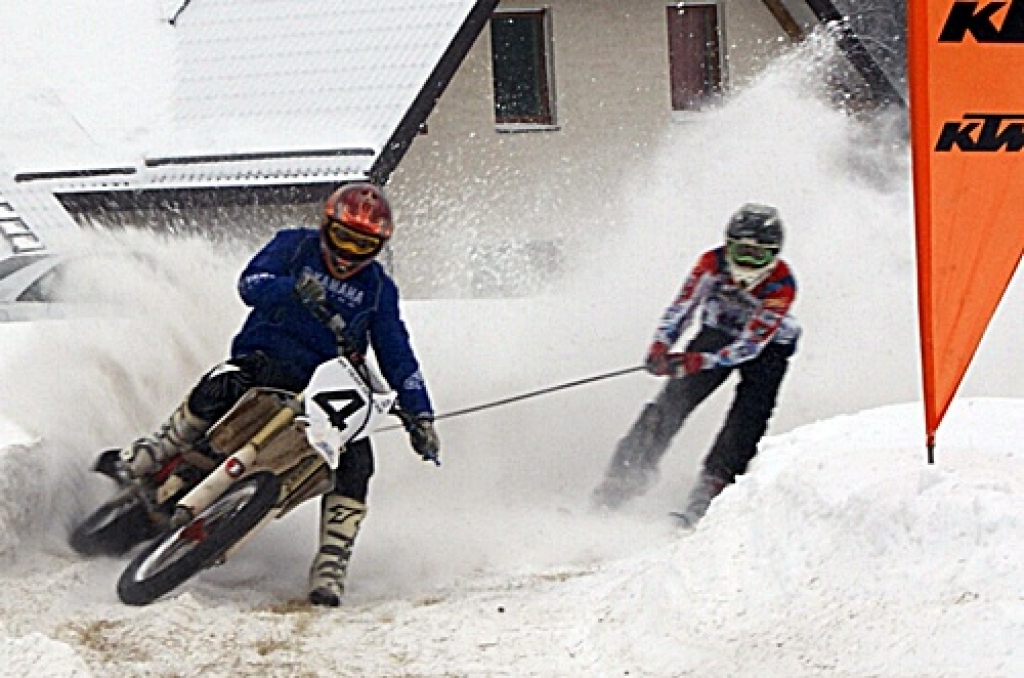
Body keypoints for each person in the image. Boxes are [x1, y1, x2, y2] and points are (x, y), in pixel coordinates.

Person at [116, 182, 440, 606]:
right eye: (344, 238)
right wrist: (289, 290)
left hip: (325, 388)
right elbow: (250, 283)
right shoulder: (292, 247)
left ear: (378, 247)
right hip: (265, 359)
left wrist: (421, 414)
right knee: (223, 381)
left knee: (357, 456)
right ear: (326, 226)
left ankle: (332, 557)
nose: (348, 254)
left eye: (363, 245)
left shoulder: (379, 289)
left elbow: (397, 352)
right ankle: (161, 447)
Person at [592, 203, 800, 527]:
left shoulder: (782, 284)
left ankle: (713, 485)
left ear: (773, 256)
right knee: (670, 402)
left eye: (758, 256)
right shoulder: (712, 263)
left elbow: (749, 346)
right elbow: (682, 307)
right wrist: (662, 346)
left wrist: (695, 361)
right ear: (727, 245)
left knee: (748, 416)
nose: (746, 262)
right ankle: (623, 479)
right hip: (716, 332)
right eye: (741, 251)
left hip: (768, 348)